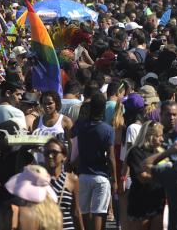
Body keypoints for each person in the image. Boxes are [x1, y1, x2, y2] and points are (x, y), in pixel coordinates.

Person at [71, 92, 117, 230]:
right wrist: (114, 179)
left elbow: (71, 135)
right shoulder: (108, 130)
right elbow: (111, 157)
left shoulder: (80, 125)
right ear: (103, 109)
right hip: (101, 176)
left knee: (84, 213)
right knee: (99, 213)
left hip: (83, 175)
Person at [125, 121, 167, 230]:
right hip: (140, 204)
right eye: (158, 136)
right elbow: (142, 177)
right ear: (149, 136)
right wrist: (166, 177)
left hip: (158, 203)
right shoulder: (136, 152)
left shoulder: (161, 152)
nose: (162, 139)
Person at [42, 137, 83, 230]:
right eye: (46, 153)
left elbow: (76, 211)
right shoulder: (39, 179)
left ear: (64, 156)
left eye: (54, 152)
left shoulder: (72, 180)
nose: (50, 156)